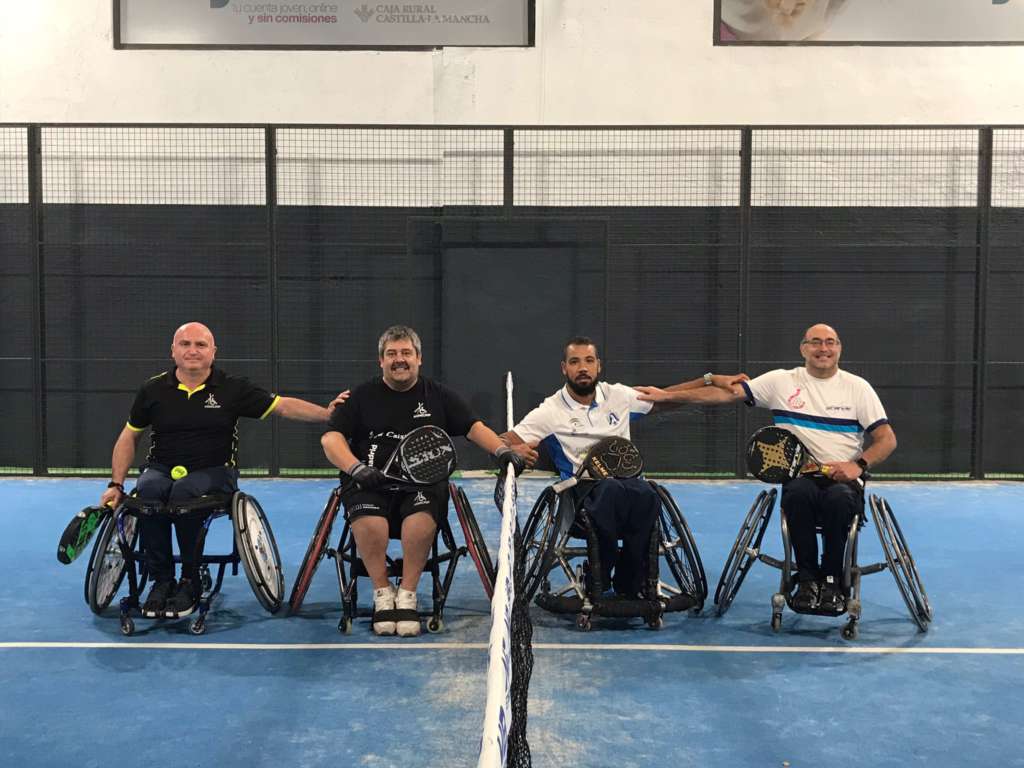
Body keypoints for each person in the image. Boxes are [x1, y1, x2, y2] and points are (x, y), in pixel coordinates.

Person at [635, 322, 897, 613]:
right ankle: (807, 580)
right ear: (803, 349)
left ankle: (833, 580)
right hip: (801, 477)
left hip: (843, 480)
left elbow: (887, 439)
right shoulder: (781, 381)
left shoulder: (858, 388)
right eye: (815, 342)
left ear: (839, 348)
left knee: (838, 499)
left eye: (830, 342)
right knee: (797, 495)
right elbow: (725, 394)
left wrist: (858, 465)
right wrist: (667, 395)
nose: (823, 348)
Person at [99, 321, 347, 619]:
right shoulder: (153, 389)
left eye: (200, 345)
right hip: (162, 469)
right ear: (173, 351)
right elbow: (129, 436)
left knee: (184, 493)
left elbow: (281, 406)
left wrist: (327, 414)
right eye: (185, 344)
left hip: (215, 471)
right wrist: (116, 485)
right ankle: (161, 581)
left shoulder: (232, 388)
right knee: (148, 490)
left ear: (213, 352)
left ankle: (190, 580)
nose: (193, 350)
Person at [320, 325, 527, 637]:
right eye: (392, 354)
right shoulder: (359, 396)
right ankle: (382, 593)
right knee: (369, 521)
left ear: (419, 358)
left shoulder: (439, 395)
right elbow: (330, 439)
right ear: (381, 361)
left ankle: (407, 593)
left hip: (421, 484)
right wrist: (356, 468)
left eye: (406, 353)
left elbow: (473, 427)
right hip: (368, 481)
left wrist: (501, 451)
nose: (399, 359)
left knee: (420, 519)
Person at [503, 336, 740, 602]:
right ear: (564, 368)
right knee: (610, 489)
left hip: (629, 486)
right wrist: (514, 449)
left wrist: (709, 379)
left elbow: (667, 397)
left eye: (589, 361)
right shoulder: (550, 410)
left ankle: (629, 581)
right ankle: (600, 574)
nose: (583, 368)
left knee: (649, 493)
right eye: (575, 362)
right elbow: (504, 441)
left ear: (599, 365)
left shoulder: (618, 396)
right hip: (582, 492)